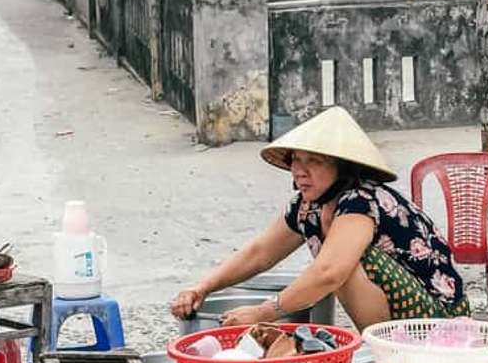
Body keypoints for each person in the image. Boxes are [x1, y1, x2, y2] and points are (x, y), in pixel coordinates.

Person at [171, 107, 470, 331]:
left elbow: (329, 272)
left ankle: (385, 353)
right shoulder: (307, 207)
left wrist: (265, 312)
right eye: (296, 161)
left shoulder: (360, 200)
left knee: (344, 265)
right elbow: (260, 254)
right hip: (399, 311)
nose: (301, 171)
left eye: (314, 161)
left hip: (440, 319)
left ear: (342, 168)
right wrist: (203, 288)